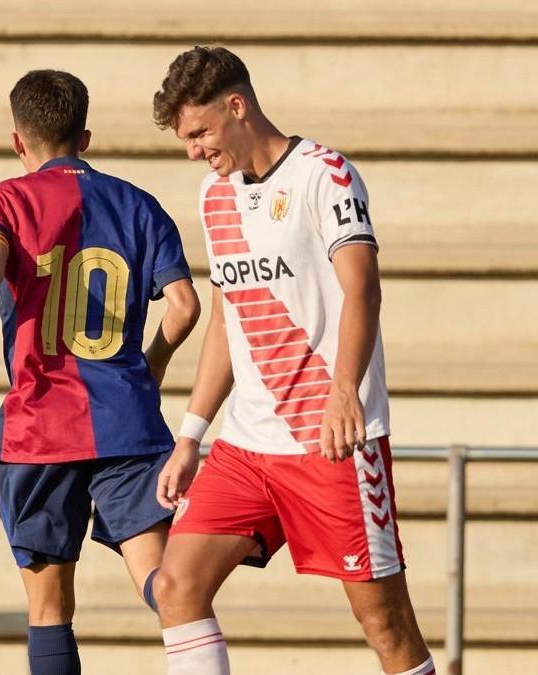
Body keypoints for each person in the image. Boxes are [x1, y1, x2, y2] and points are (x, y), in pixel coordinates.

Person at [149, 46, 435, 675]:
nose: (193, 151)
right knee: (175, 586)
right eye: (185, 140)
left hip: (329, 442)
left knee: (386, 625)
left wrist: (344, 391)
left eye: (199, 133)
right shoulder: (214, 194)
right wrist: (191, 435)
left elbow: (363, 287)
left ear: (237, 106)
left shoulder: (324, 174)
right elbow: (227, 316)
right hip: (246, 446)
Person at [0, 69, 200, 674]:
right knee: (165, 585)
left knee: (49, 609)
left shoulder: (3, 201)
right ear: (86, 137)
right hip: (126, 422)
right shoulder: (140, 205)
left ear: (17, 141)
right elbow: (184, 306)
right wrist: (148, 367)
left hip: (39, 427)